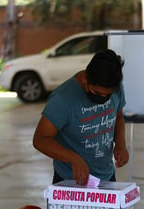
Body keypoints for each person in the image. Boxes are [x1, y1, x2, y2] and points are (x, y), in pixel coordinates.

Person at [33, 49, 129, 185]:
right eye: (96, 92)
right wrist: (73, 158)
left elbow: (118, 117)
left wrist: (120, 144)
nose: (103, 98)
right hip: (70, 180)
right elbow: (40, 140)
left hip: (107, 176)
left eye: (107, 95)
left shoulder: (116, 87)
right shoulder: (62, 99)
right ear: (85, 79)